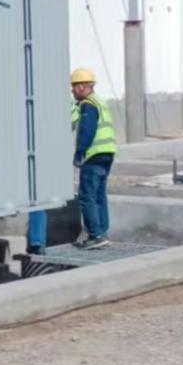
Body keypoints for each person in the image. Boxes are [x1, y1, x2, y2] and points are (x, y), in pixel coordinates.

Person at [70, 66, 116, 249]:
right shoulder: (99, 101)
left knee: (87, 196)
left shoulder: (88, 104)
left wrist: (79, 152)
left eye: (74, 87)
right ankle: (102, 233)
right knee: (99, 195)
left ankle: (95, 235)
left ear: (82, 86)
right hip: (107, 153)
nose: (73, 91)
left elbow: (87, 131)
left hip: (94, 155)